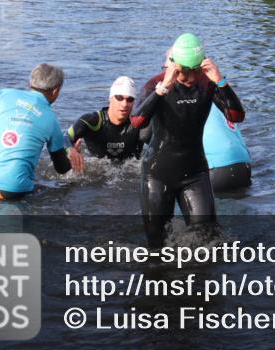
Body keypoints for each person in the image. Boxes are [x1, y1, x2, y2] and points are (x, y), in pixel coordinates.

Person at [131, 34, 245, 248]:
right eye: (185, 71)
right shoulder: (156, 83)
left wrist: (221, 81)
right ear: (174, 65)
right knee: (157, 247)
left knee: (208, 241)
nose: (191, 77)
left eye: (196, 70)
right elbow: (137, 122)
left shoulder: (207, 83)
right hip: (157, 174)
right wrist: (164, 87)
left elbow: (236, 116)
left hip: (195, 173)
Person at [139, 49, 252, 193]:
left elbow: (145, 134)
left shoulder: (185, 101)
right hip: (244, 166)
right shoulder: (217, 93)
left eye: (168, 69)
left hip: (212, 169)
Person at [0, 64, 72, 202]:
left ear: (30, 83)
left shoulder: (3, 95)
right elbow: (62, 168)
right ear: (56, 91)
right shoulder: (51, 120)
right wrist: (71, 155)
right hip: (12, 192)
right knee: (60, 195)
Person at [66, 76, 143, 172]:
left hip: (130, 171)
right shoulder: (93, 121)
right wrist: (70, 150)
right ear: (110, 99)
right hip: (98, 171)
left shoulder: (139, 123)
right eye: (119, 97)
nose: (124, 104)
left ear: (134, 103)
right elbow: (64, 138)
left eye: (130, 99)